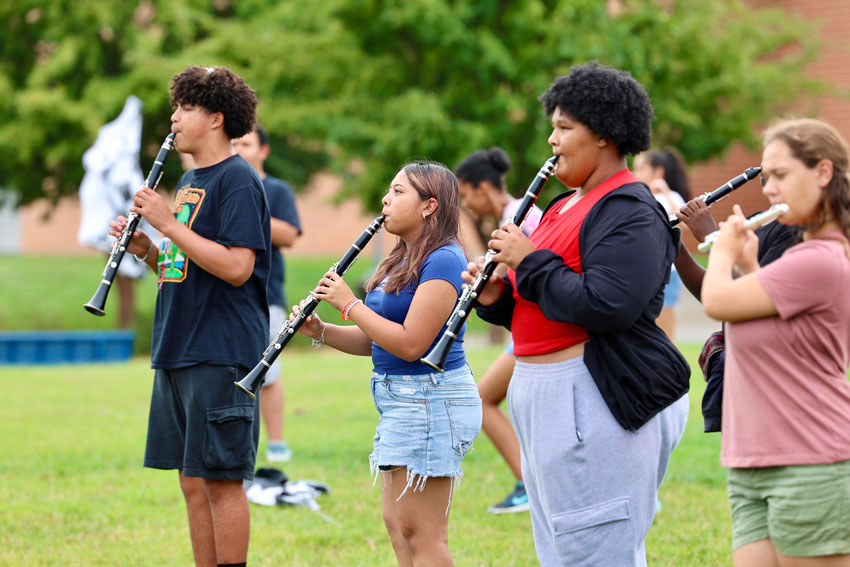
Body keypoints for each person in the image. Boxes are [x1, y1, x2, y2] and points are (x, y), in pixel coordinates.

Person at [465, 62, 690, 566]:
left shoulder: (631, 209)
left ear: (606, 136)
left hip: (591, 398)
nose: (552, 140)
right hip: (543, 392)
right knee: (564, 550)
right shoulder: (563, 205)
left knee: (596, 548)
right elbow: (545, 303)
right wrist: (498, 295)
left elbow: (608, 305)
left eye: (564, 128)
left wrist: (529, 260)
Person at [109, 65, 270, 567]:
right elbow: (187, 265)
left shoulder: (238, 180)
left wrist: (165, 224)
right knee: (192, 480)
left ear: (216, 118)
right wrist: (147, 250)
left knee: (222, 480)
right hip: (180, 345)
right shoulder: (188, 181)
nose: (174, 118)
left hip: (220, 350)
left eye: (185, 109)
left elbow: (239, 267)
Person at [293, 160, 482, 567]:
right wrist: (320, 330)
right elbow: (378, 340)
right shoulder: (402, 259)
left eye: (398, 192)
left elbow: (412, 344)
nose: (385, 199)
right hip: (403, 401)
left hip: (432, 400)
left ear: (429, 206)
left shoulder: (445, 260)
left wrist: (350, 304)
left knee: (423, 535)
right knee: (398, 528)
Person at [701, 118, 850, 566]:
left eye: (781, 176)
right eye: (767, 177)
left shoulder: (820, 260)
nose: (768, 189)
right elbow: (779, 330)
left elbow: (717, 301)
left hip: (810, 462)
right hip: (751, 463)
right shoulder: (798, 263)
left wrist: (724, 251)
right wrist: (749, 264)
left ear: (823, 173)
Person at [454, 146, 543, 514]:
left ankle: (528, 485)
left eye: (464, 195)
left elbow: (500, 276)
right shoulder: (513, 214)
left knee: (483, 398)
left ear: (482, 187)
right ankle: (529, 483)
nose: (466, 204)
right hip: (526, 332)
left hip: (536, 332)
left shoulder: (519, 217)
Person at [233, 124, 302, 463]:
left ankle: (276, 444)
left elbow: (289, 234)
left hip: (266, 294)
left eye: (246, 144)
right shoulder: (224, 186)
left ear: (264, 151)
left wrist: (249, 207)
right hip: (228, 294)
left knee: (268, 372)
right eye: (234, 143)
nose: (238, 149)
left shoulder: (276, 190)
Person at [634, 148, 691, 341]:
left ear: (658, 172)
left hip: (668, 273)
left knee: (665, 331)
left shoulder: (671, 197)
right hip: (644, 272)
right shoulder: (640, 196)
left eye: (642, 168)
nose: (637, 174)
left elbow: (684, 223)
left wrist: (665, 191)